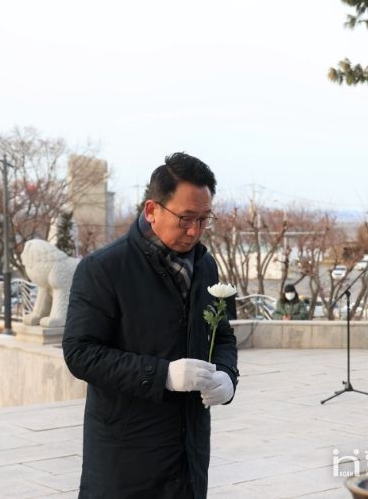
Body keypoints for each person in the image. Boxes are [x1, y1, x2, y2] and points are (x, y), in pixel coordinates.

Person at [63, 152, 239, 499]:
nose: (195, 231)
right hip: (126, 457)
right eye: (185, 218)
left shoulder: (205, 266)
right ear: (151, 210)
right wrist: (162, 375)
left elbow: (223, 335)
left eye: (204, 219)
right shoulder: (103, 268)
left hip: (188, 453)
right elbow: (80, 353)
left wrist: (227, 376)